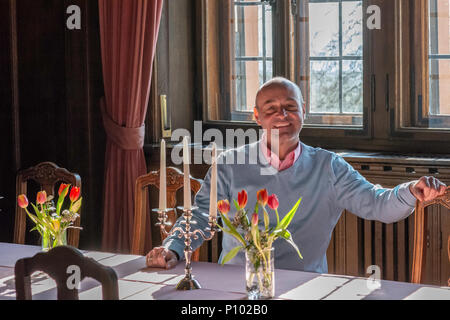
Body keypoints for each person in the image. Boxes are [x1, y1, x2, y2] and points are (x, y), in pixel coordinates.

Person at [146, 77, 447, 272]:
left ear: (305, 110)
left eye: (291, 107)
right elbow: (200, 216)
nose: (282, 115)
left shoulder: (329, 166)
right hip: (236, 283)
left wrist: (410, 190)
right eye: (271, 108)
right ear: (256, 116)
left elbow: (377, 202)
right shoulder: (228, 164)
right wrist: (173, 247)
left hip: (305, 286)